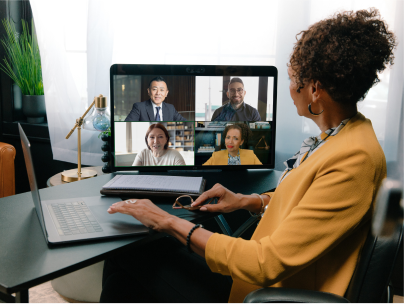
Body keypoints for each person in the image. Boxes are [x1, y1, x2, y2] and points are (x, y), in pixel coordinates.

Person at [101, 9, 396, 303]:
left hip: (269, 293)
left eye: (293, 79)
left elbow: (263, 263)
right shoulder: (342, 138)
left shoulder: (353, 159)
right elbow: (307, 206)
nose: (290, 89)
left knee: (128, 255)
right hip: (262, 280)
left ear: (315, 89)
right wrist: (249, 201)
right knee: (128, 266)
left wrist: (167, 221)